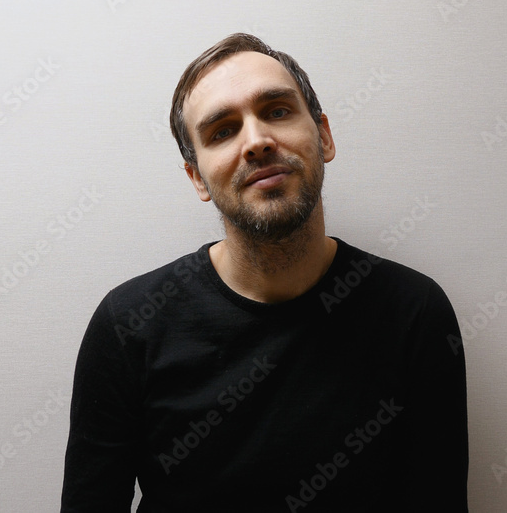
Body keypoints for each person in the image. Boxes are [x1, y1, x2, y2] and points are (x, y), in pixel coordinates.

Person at [61, 33, 468, 512]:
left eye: (276, 111)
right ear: (198, 178)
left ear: (325, 136)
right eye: (222, 131)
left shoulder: (414, 312)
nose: (256, 142)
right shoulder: (128, 325)